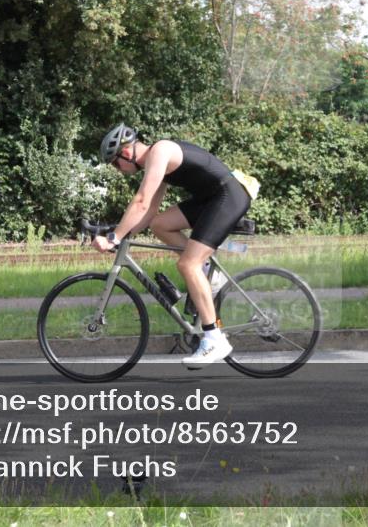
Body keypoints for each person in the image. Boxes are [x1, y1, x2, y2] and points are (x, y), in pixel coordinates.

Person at [92, 123, 252, 369]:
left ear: (126, 153)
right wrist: (123, 236)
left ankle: (214, 339)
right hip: (211, 199)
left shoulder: (160, 151)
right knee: (160, 224)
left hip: (227, 197)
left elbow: (141, 201)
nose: (117, 169)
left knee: (188, 264)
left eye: (115, 163)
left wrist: (113, 237)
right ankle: (208, 273)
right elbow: (149, 214)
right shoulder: (157, 164)